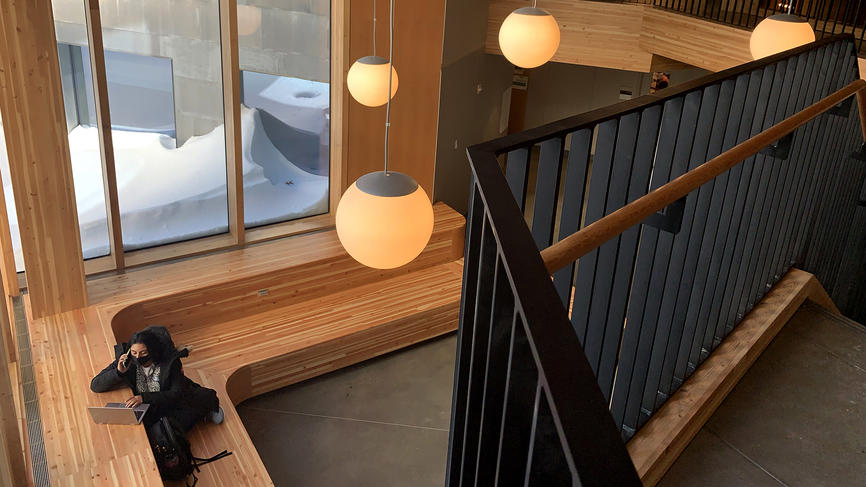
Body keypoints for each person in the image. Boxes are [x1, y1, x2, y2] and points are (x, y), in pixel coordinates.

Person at [90, 326, 224, 432]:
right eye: (134, 353)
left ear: (153, 351)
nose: (138, 357)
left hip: (170, 398)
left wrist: (143, 398)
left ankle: (206, 410)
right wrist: (118, 372)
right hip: (150, 404)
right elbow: (95, 385)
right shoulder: (126, 360)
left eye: (143, 353)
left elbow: (175, 394)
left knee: (173, 425)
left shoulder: (171, 363)